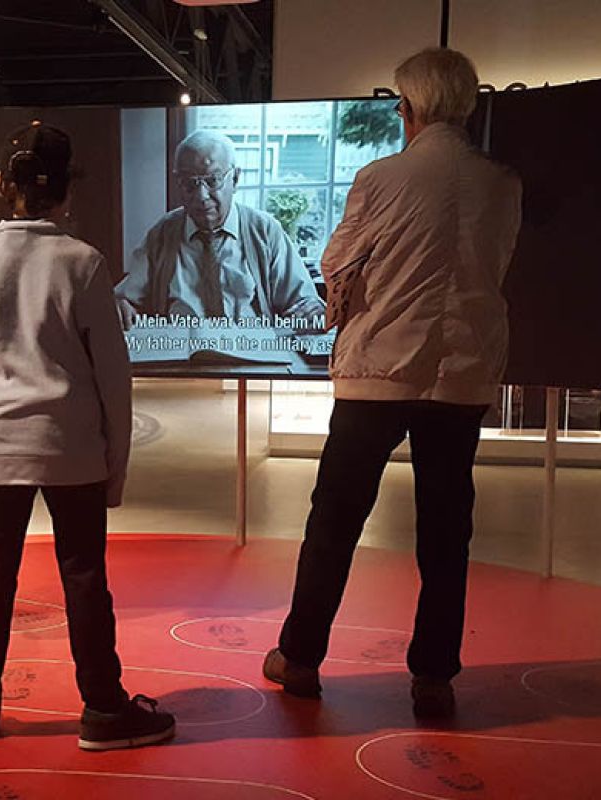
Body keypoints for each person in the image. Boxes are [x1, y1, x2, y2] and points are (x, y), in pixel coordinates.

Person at [260, 47, 522, 720]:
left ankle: (300, 656)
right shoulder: (502, 183)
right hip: (460, 375)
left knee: (335, 520)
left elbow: (337, 261)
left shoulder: (381, 178)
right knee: (445, 529)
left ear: (408, 107)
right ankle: (433, 674)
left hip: (378, 372)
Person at [0, 122, 176, 751]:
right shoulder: (83, 263)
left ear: (3, 185)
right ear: (67, 192)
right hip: (72, 447)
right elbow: (112, 374)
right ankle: (103, 707)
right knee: (83, 575)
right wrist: (115, 462)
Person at [114, 131, 324, 327]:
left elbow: (304, 301)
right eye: (189, 183)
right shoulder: (162, 234)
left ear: (235, 179)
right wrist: (120, 305)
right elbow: (125, 297)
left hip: (254, 356)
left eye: (212, 180)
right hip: (180, 356)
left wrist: (312, 309)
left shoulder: (265, 231)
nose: (201, 196)